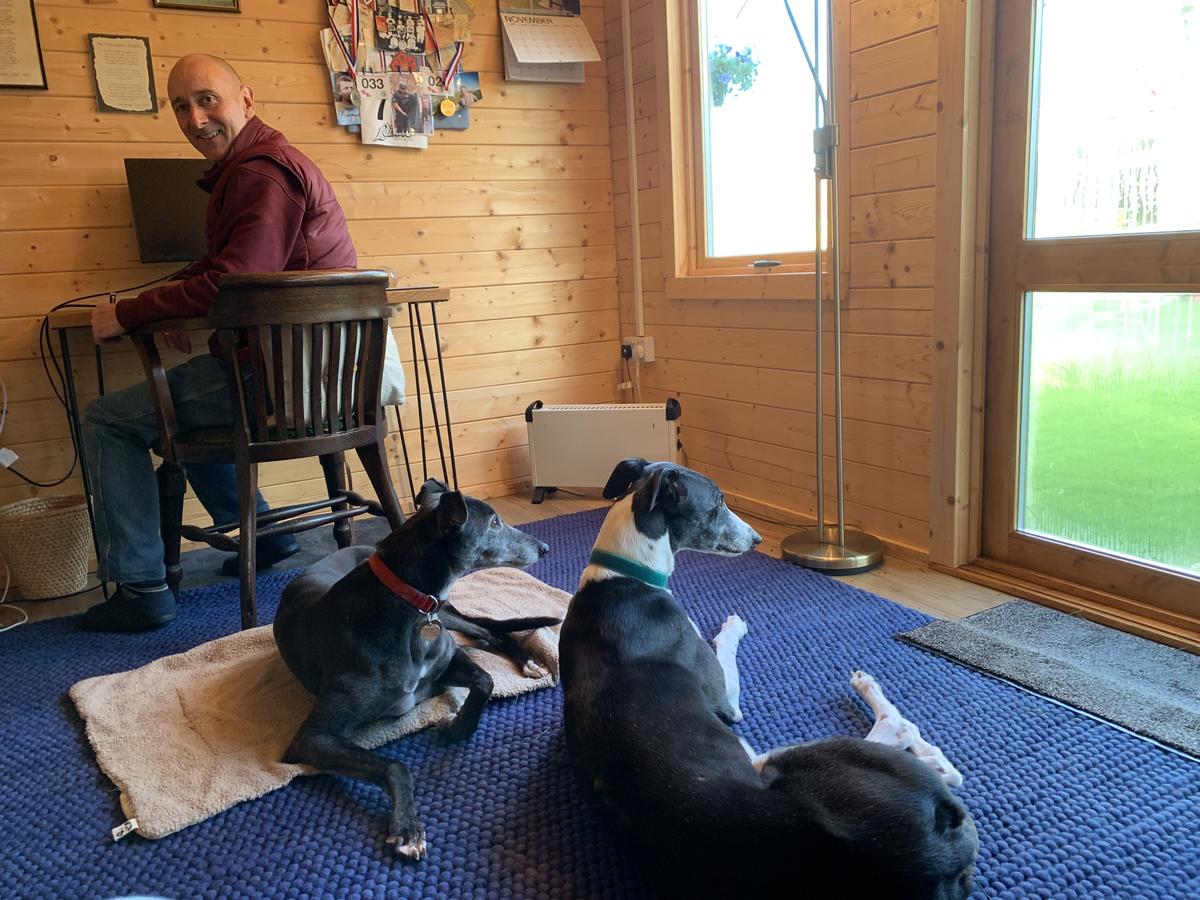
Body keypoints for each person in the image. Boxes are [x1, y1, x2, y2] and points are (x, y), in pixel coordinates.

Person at [80, 54, 357, 631]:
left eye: (208, 99)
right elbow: (219, 267)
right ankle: (266, 533)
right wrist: (180, 292)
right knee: (177, 408)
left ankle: (142, 588)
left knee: (108, 418)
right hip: (318, 378)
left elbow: (230, 282)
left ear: (246, 98)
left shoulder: (259, 174)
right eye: (181, 106)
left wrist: (127, 313)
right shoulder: (260, 167)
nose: (195, 117)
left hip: (277, 382)